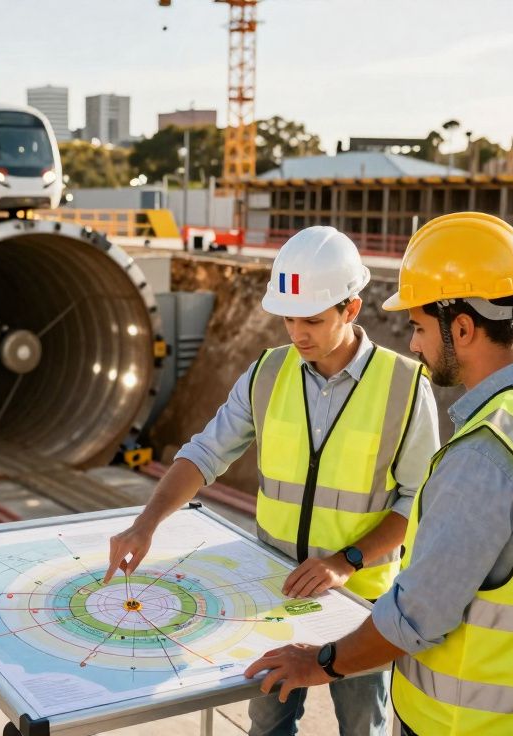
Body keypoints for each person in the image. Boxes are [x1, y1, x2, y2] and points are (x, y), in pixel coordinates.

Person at [243, 212, 513, 735]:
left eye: (418, 326)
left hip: (463, 722)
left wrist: (317, 662)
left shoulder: (484, 455)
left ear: (462, 327)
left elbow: (416, 617)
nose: (412, 344)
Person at [105, 226, 440, 736]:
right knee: (267, 725)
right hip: (272, 592)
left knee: (361, 728)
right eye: (287, 318)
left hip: (361, 602)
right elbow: (204, 453)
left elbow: (419, 501)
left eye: (312, 319)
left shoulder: (406, 385)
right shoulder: (266, 373)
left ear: (351, 310)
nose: (297, 333)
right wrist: (146, 524)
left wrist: (346, 561)